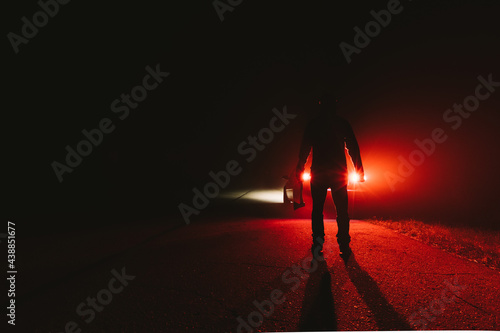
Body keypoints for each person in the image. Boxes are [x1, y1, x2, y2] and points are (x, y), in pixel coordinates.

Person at [296, 93, 364, 259]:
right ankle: (344, 244)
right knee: (342, 209)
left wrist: (300, 167)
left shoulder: (314, 124)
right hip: (338, 173)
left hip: (319, 172)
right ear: (335, 105)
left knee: (317, 209)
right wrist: (359, 169)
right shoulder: (342, 123)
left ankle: (318, 243)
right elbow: (352, 146)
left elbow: (305, 148)